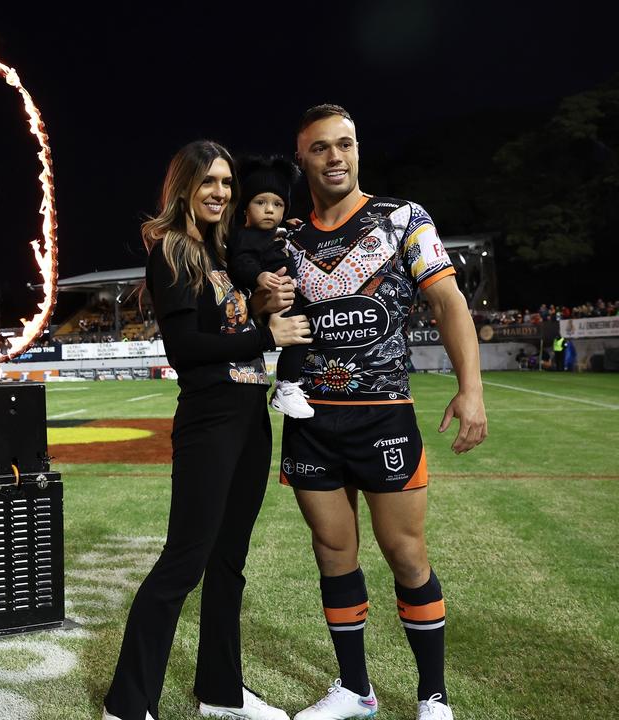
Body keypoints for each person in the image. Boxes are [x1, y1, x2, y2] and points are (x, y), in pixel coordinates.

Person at [279, 105, 487, 720]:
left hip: (384, 418)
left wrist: (470, 389)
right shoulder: (286, 238)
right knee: (332, 551)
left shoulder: (402, 219)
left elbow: (449, 301)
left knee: (405, 553)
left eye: (345, 144)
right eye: (321, 148)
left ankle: (432, 697)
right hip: (310, 421)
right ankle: (354, 690)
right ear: (303, 160)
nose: (335, 157)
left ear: (358, 151)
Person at [102, 140, 311, 720]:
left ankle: (220, 693)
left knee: (228, 563)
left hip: (249, 415)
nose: (220, 191)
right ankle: (126, 704)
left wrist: (262, 302)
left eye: (226, 182)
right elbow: (186, 348)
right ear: (184, 189)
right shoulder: (172, 249)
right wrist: (269, 337)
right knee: (183, 562)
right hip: (209, 418)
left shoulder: (221, 252)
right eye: (208, 182)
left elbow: (234, 326)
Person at [227, 155, 313, 419]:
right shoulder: (243, 235)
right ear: (245, 208)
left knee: (302, 340)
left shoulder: (278, 232)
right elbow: (240, 261)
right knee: (297, 339)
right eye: (260, 202)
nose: (269, 210)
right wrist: (259, 276)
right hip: (270, 299)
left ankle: (289, 385)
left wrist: (290, 227)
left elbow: (276, 239)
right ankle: (286, 387)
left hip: (290, 295)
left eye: (277, 204)